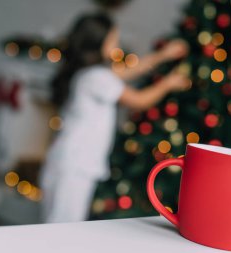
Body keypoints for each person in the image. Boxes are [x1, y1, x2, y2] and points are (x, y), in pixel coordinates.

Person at [40, 13, 190, 223]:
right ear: (98, 42)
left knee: (58, 222)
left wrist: (162, 56)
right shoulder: (96, 77)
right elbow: (138, 100)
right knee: (63, 225)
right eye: (113, 39)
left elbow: (128, 72)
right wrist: (168, 83)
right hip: (75, 166)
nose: (116, 44)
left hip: (69, 162)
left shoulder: (90, 73)